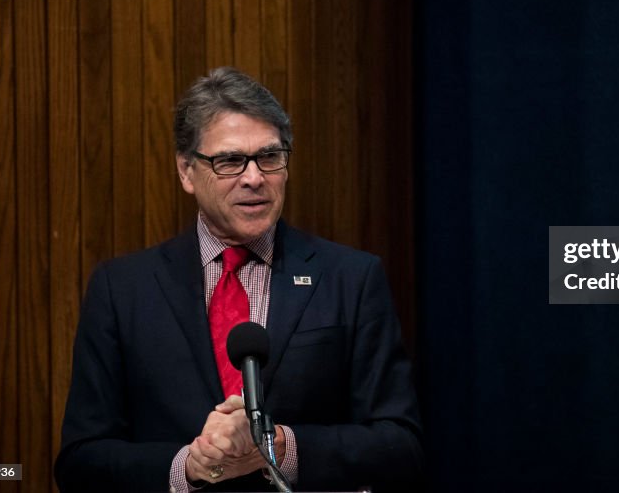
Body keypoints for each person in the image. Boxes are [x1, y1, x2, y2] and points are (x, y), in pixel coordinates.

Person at [55, 67, 423, 492]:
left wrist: (281, 447)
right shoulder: (122, 290)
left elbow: (402, 446)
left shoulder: (351, 279)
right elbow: (80, 463)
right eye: (230, 161)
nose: (254, 178)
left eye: (269, 157)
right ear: (187, 172)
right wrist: (189, 465)